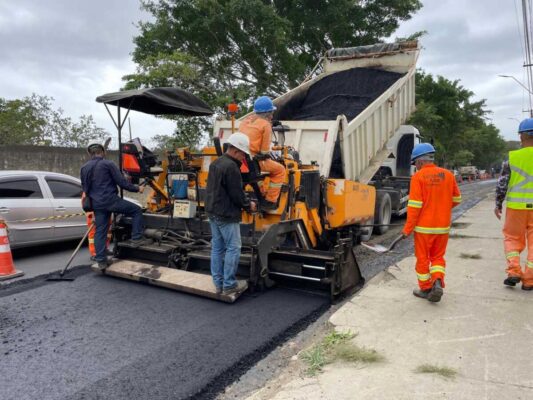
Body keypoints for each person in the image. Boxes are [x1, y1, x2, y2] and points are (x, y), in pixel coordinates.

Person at [402, 143, 462, 302]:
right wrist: (441, 207)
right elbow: (457, 199)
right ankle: (437, 280)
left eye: (415, 164)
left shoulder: (418, 177)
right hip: (442, 228)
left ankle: (426, 288)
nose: (415, 167)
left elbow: (414, 206)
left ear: (420, 162)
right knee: (437, 257)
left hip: (423, 229)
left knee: (423, 259)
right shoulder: (448, 175)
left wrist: (407, 229)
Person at [80, 142, 148, 270]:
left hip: (96, 204)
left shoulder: (84, 167)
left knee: (100, 230)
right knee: (136, 210)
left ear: (90, 153)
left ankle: (101, 260)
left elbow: (85, 187)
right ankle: (137, 238)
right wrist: (137, 188)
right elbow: (122, 183)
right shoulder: (108, 164)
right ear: (103, 152)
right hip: (110, 201)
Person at [205, 133, 257, 295]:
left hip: (213, 211)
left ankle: (218, 283)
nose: (243, 157)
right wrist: (249, 205)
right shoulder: (232, 167)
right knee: (234, 248)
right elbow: (236, 193)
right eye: (243, 154)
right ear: (235, 150)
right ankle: (228, 284)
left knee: (217, 248)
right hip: (226, 215)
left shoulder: (217, 163)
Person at [494, 118, 533, 290]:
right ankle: (529, 281)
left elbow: (502, 183)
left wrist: (498, 203)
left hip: (516, 208)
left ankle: (514, 271)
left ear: (522, 136)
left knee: (512, 239)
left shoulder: (512, 158)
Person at [239, 96, 285, 210]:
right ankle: (270, 201)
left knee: (256, 176)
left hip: (240, 160)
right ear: (267, 113)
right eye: (272, 112)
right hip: (254, 160)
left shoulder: (245, 121)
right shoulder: (265, 125)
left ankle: (262, 192)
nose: (272, 115)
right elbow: (264, 152)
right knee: (280, 170)